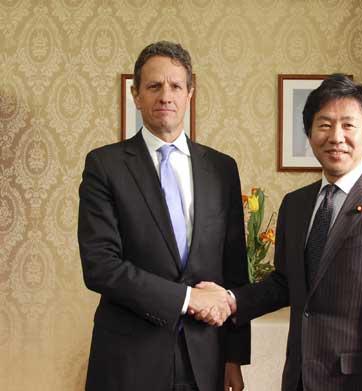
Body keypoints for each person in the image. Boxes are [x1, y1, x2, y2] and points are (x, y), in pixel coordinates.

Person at [197, 74, 362, 390]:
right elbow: (283, 284)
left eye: (348, 125)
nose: (336, 136)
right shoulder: (296, 205)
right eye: (324, 125)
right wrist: (229, 298)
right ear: (309, 134)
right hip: (299, 380)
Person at [78, 41, 250, 391]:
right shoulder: (104, 165)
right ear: (135, 94)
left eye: (175, 86)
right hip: (129, 359)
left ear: (190, 93)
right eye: (154, 86)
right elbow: (101, 266)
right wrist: (187, 299)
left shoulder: (221, 168)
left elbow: (235, 268)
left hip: (205, 359)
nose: (165, 96)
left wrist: (234, 356)